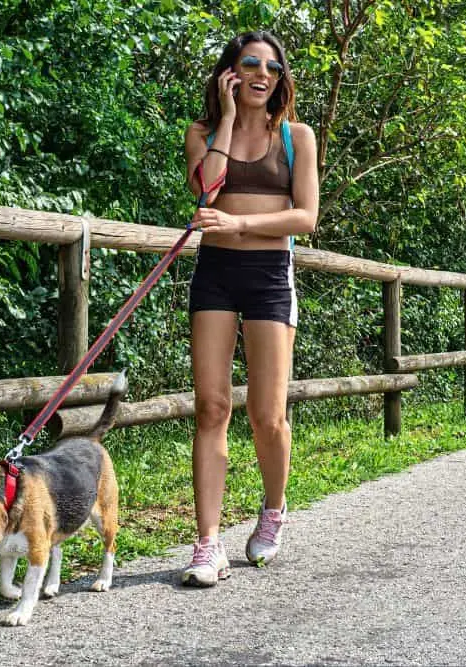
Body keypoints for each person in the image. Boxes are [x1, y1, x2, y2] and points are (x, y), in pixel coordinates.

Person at [180, 31, 319, 587]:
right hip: (214, 273)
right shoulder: (202, 132)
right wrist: (229, 117)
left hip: (269, 277)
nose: (263, 74)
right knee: (211, 406)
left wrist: (241, 225)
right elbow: (207, 190)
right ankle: (207, 543)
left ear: (282, 78)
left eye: (272, 67)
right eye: (250, 65)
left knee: (268, 414)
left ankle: (273, 509)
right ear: (230, 73)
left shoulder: (296, 137)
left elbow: (305, 217)